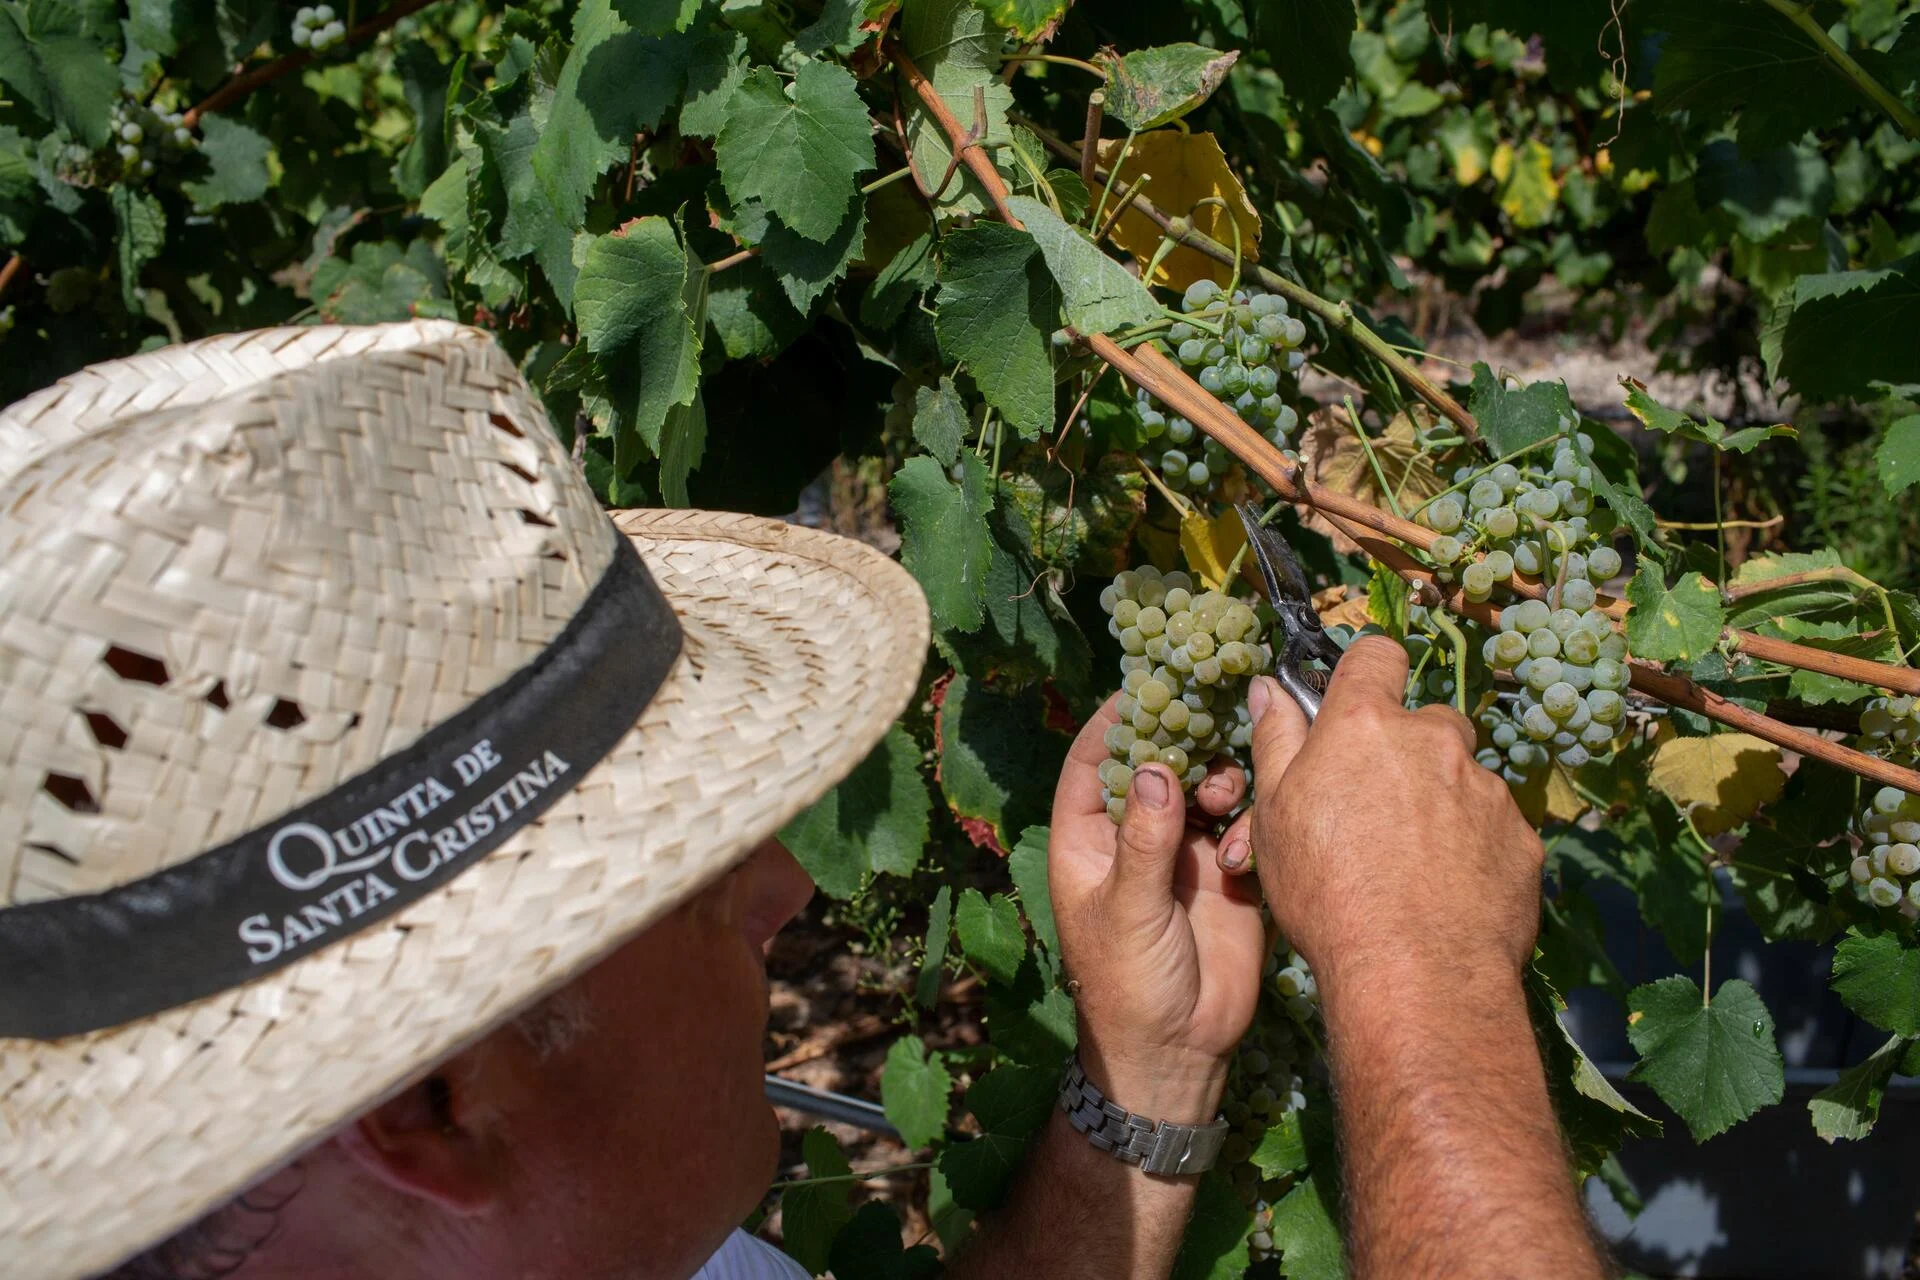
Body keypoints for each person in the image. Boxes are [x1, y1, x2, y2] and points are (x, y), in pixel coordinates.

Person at [0, 322, 1602, 1280]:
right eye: (672, 871)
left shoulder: (604, 1248)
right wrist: (1417, 975)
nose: (783, 886)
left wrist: (1153, 1072)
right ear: (436, 1102)